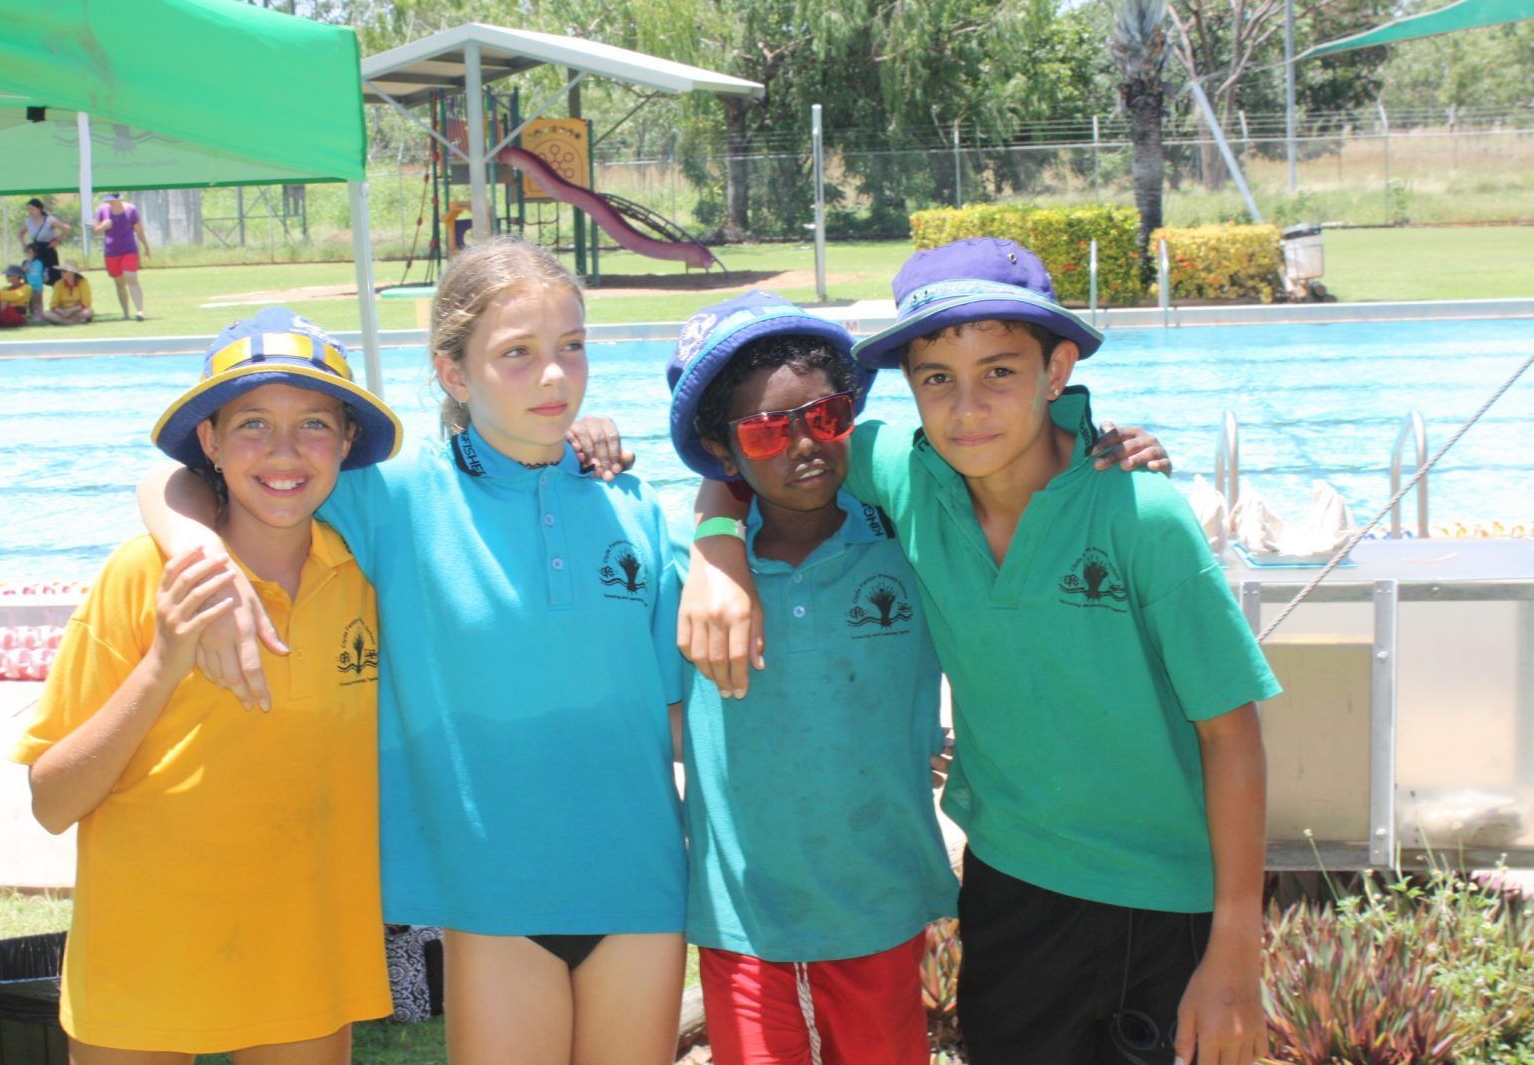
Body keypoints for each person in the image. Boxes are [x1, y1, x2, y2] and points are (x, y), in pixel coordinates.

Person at [683, 237, 1279, 1065]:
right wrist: (717, 540)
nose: (967, 409)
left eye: (1000, 371)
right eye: (937, 380)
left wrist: (1237, 948)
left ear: (1057, 368)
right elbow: (761, 449)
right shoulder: (902, 471)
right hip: (1008, 890)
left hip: (1159, 901)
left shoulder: (1143, 518)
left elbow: (1232, 734)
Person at [137, 235, 689, 1065]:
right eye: (517, 354)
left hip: (642, 883)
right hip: (492, 899)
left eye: (571, 347)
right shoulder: (392, 500)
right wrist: (199, 554)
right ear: (453, 374)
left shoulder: (636, 509)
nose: (553, 377)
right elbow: (178, 476)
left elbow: (679, 717)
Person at [12, 306, 403, 1064]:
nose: (285, 451)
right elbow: (51, 801)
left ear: (349, 441)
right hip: (143, 966)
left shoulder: (372, 574)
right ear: (210, 442)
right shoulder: (141, 575)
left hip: (306, 964)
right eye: (252, 424)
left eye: (315, 425)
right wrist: (164, 661)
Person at [665, 292, 959, 1065]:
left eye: (824, 417)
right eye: (765, 429)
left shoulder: (907, 535)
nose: (803, 445)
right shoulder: (683, 570)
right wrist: (713, 533)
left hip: (883, 902)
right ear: (720, 451)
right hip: (752, 921)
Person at [93, 192, 150, 320]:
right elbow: (95, 231)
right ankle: (125, 313)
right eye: (107, 200)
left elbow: (138, 230)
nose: (109, 202)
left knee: (131, 278)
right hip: (111, 252)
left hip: (129, 249)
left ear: (119, 199)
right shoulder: (102, 210)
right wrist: (104, 225)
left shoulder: (131, 210)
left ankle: (140, 311)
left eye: (112, 200)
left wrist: (146, 246)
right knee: (119, 284)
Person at [19, 196, 70, 285]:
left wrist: (57, 240)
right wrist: (23, 245)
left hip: (48, 250)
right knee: (33, 276)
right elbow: (20, 233)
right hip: (35, 251)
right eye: (28, 209)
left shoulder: (49, 220)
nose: (30, 212)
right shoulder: (28, 221)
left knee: (53, 277)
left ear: (39, 209)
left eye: (32, 209)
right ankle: (32, 297)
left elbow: (66, 228)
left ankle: (57, 297)